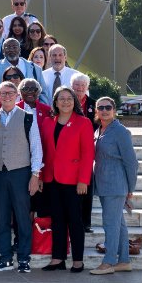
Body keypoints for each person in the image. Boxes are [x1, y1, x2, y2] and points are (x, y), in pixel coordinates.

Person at [0, 81, 43, 273]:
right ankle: (5, 258)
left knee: (22, 217)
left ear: (17, 95)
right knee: (1, 218)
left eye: (11, 92)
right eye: (3, 93)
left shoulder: (28, 117)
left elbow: (36, 147)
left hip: (21, 172)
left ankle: (24, 258)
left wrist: (35, 174)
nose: (7, 96)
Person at [39, 87, 94, 273]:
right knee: (57, 221)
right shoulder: (47, 122)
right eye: (61, 98)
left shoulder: (83, 122)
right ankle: (58, 259)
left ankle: (78, 260)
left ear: (75, 101)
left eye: (69, 98)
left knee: (75, 221)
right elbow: (43, 152)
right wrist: (39, 176)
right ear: (55, 102)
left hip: (74, 181)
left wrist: (83, 180)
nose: (65, 102)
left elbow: (88, 154)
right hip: (51, 179)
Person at [89, 97, 138, 275]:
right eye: (100, 107)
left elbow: (132, 163)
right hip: (104, 185)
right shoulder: (99, 130)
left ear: (114, 109)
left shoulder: (121, 132)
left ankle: (108, 262)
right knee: (119, 224)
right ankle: (124, 261)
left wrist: (130, 188)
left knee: (110, 224)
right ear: (96, 111)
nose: (104, 110)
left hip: (116, 186)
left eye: (108, 107)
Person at [0, 38, 46, 104]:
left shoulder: (35, 68)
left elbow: (43, 93)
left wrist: (41, 110)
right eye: (8, 47)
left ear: (19, 50)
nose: (11, 50)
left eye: (14, 47)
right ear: (3, 51)